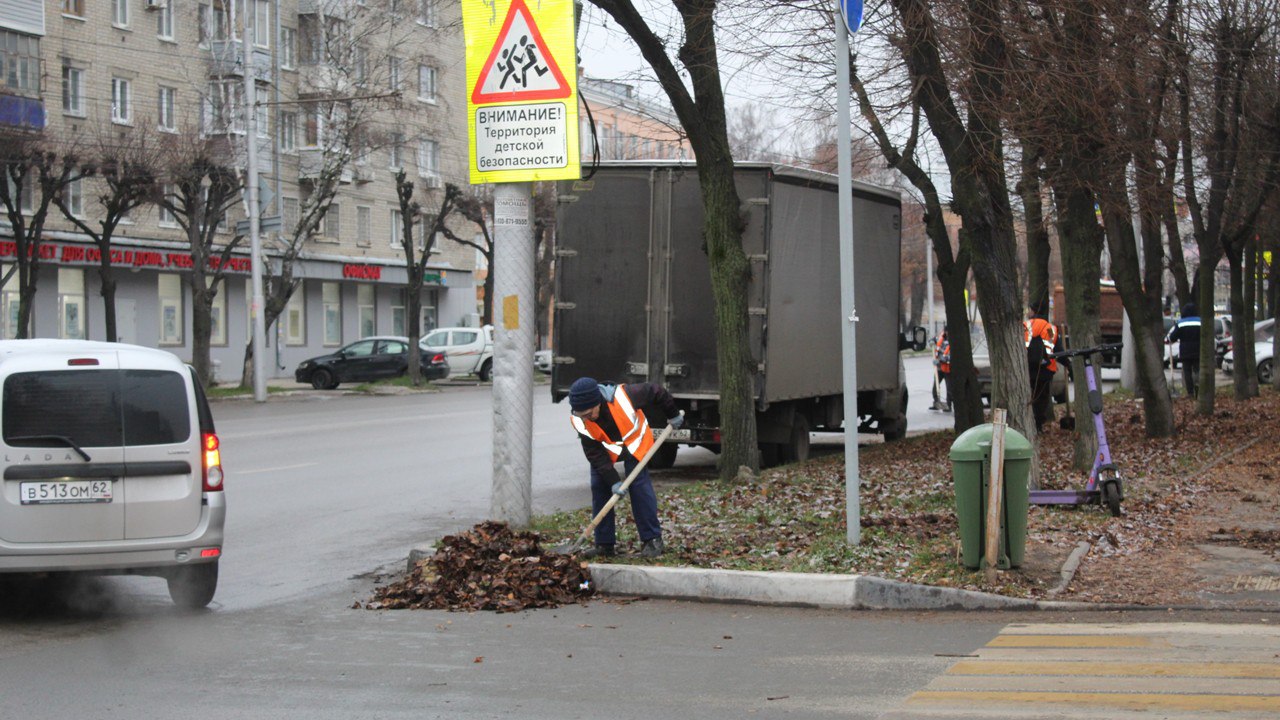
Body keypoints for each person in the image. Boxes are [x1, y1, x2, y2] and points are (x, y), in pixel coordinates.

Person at [567, 377, 682, 559]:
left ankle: (652, 539)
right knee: (599, 486)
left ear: (598, 402)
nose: (586, 418)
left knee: (639, 487)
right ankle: (604, 544)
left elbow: (656, 391)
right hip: (606, 452)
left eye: (589, 414)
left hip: (635, 445)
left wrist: (673, 414)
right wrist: (613, 481)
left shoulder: (626, 395)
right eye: (582, 415)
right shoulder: (580, 419)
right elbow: (594, 453)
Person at [1024, 301, 1060, 431]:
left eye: (1029, 309)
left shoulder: (1025, 326)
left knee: (1029, 397)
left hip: (1026, 371)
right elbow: (1058, 349)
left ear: (1033, 311)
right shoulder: (1050, 328)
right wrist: (1069, 366)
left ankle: (1029, 424)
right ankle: (1038, 425)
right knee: (1042, 398)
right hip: (1045, 371)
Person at [1167, 303, 1201, 398]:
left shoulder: (1181, 323)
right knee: (1198, 369)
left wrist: (1170, 339)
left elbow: (1173, 337)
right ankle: (1198, 387)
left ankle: (1190, 392)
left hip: (1186, 351)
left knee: (1187, 372)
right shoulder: (1200, 321)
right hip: (1198, 350)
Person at [932, 328, 952, 411]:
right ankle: (936, 402)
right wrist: (932, 341)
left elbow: (949, 357)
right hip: (939, 368)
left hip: (948, 369)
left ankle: (948, 405)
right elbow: (935, 344)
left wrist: (939, 360)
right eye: (946, 332)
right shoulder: (941, 339)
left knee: (949, 388)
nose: (946, 333)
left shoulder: (953, 342)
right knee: (935, 386)